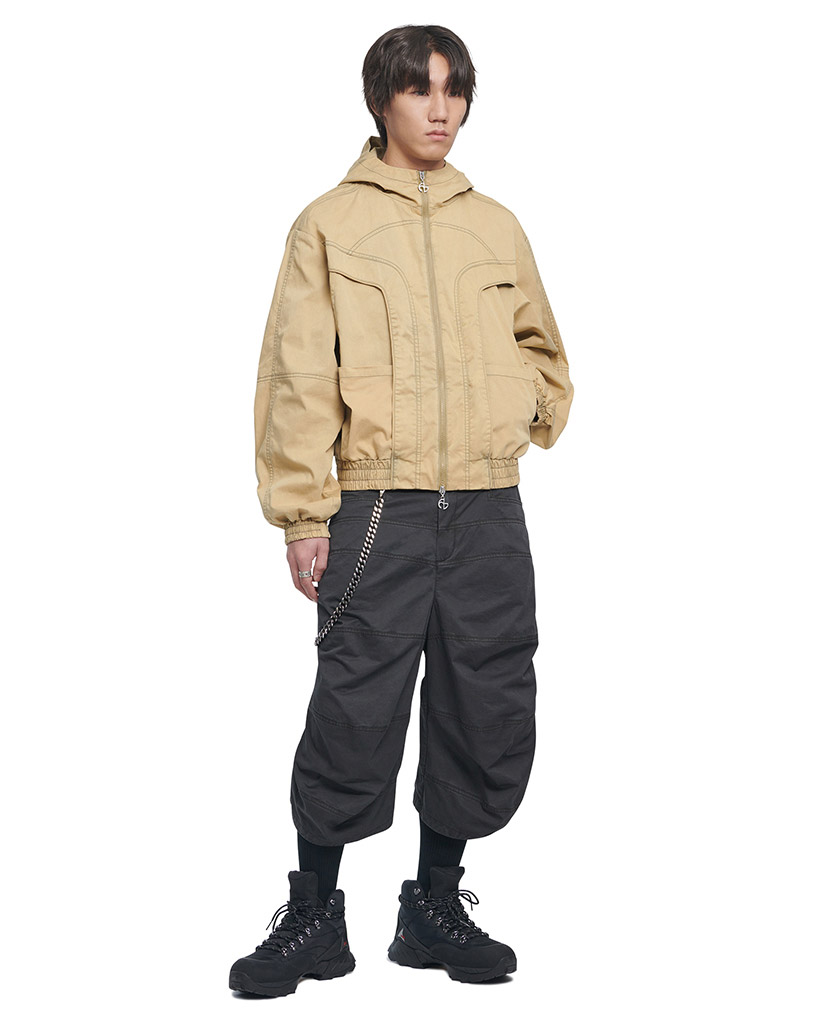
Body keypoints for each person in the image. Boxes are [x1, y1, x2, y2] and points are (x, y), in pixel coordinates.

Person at [229, 24, 574, 998]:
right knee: (355, 706)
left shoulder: (495, 225)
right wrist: (304, 513)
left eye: (454, 91)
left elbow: (544, 349)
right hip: (376, 505)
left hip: (488, 507)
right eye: (421, 89)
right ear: (382, 98)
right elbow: (297, 374)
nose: (441, 109)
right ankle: (314, 916)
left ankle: (432, 907)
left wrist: (523, 408)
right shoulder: (329, 224)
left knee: (483, 700)